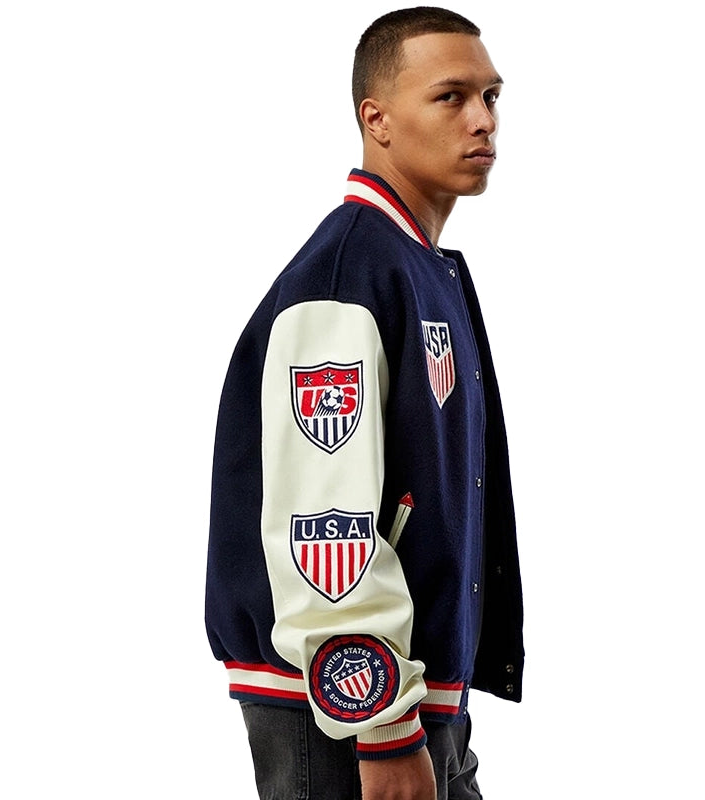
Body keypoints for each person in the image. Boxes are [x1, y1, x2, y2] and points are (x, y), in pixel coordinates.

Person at [205, 7, 524, 799]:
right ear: (375, 118)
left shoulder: (415, 267)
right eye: (451, 97)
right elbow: (324, 517)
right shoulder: (348, 277)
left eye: (491, 97)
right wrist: (380, 721)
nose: (483, 120)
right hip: (343, 718)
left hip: (417, 700)